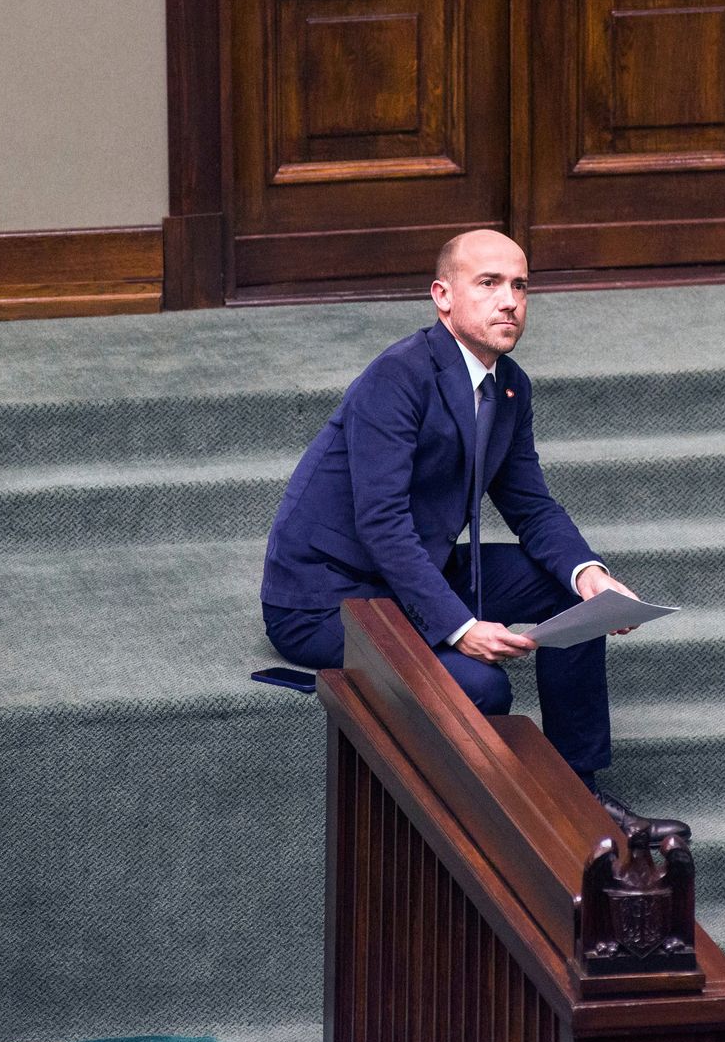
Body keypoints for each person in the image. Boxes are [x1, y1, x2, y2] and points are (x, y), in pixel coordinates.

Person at [260, 228, 662, 826]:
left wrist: (592, 578)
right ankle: (508, 819)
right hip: (328, 596)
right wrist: (459, 626)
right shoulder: (398, 375)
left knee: (565, 593)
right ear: (442, 296)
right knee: (483, 687)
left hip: (413, 572)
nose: (510, 301)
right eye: (489, 283)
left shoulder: (509, 385)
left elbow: (532, 506)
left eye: (521, 286)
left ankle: (578, 789)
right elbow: (382, 522)